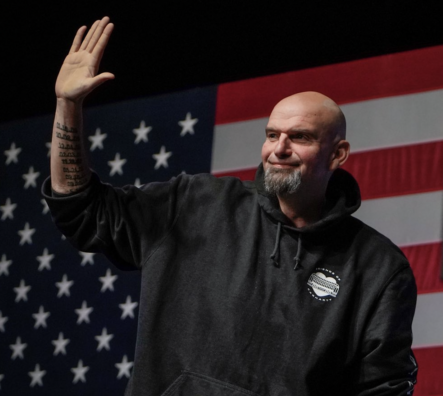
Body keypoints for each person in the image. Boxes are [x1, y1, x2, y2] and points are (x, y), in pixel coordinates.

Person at [43, 16, 418, 396]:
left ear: (337, 154)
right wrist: (68, 106)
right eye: (272, 135)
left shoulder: (379, 267)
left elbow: (382, 388)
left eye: (299, 137)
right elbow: (83, 212)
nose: (279, 149)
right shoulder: (194, 203)